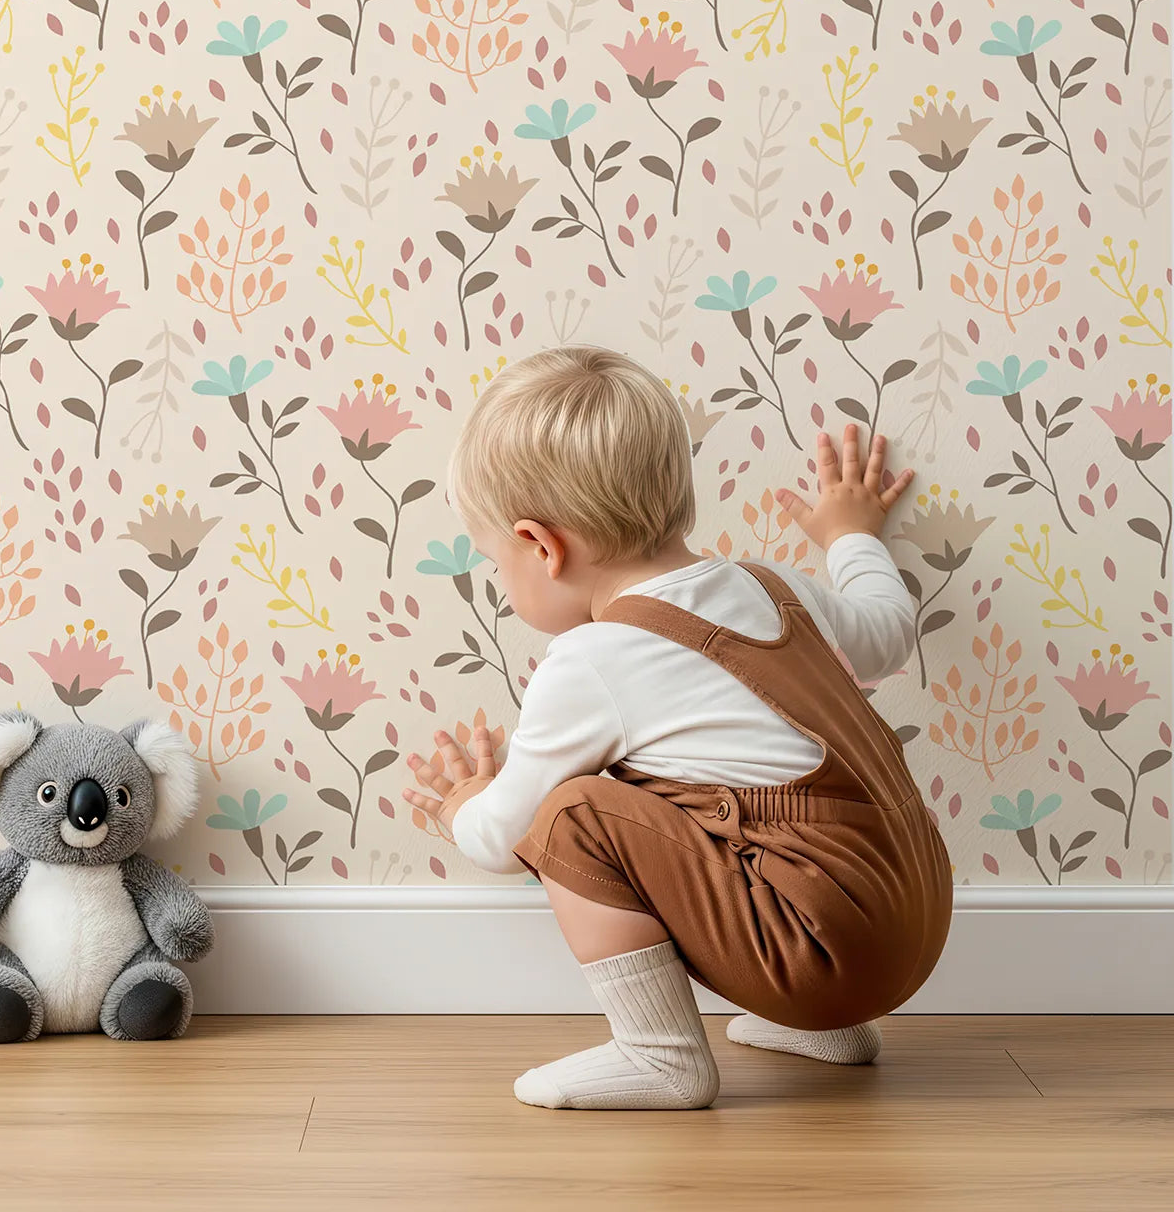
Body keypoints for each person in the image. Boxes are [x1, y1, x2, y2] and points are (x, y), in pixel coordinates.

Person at [403, 346, 952, 1111]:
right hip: (914, 919)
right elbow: (889, 633)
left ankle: (658, 1054)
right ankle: (830, 1027)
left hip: (822, 950)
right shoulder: (774, 584)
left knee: (573, 814)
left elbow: (503, 838)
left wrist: (464, 798)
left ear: (540, 546)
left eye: (497, 562)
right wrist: (848, 536)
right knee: (711, 810)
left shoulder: (592, 660)